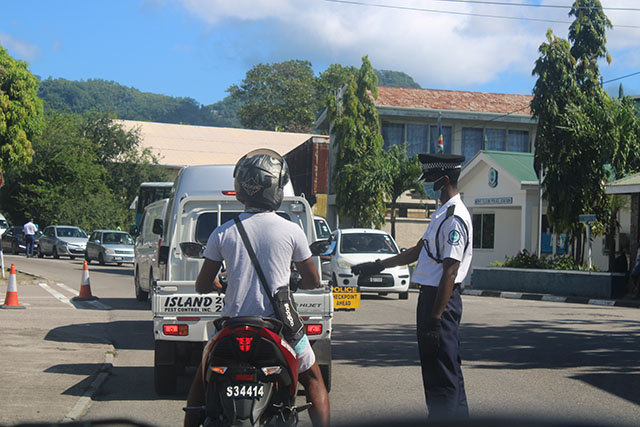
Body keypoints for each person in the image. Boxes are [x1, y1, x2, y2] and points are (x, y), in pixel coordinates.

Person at [184, 149, 330, 427]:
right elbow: (312, 281)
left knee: (201, 381)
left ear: (242, 188)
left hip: (231, 325)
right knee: (313, 379)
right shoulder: (291, 231)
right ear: (276, 187)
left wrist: (219, 286)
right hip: (279, 325)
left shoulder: (222, 232)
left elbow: (202, 285)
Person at [352, 153, 472, 421]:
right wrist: (379, 264)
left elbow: (450, 272)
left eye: (431, 180)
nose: (429, 185)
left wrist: (435, 319)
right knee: (441, 369)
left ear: (443, 180)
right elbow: (419, 250)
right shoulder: (442, 214)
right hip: (431, 298)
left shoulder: (454, 217)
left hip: (441, 301)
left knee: (442, 373)